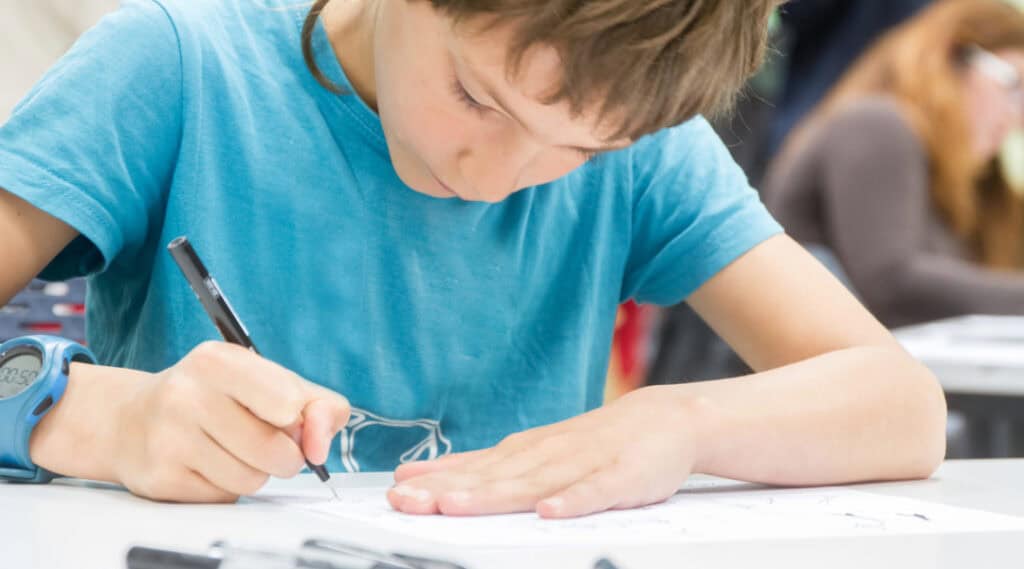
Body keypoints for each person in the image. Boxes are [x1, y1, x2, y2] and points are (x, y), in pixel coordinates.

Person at [0, 0, 945, 518]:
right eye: (476, 98)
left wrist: (684, 422)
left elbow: (900, 406)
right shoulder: (176, 67)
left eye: (580, 150)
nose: (499, 178)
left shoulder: (650, 148)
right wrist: (83, 418)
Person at [764, 0, 1024, 329]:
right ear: (952, 59)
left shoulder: (954, 177)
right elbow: (892, 281)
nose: (1017, 118)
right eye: (1014, 85)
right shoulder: (877, 125)